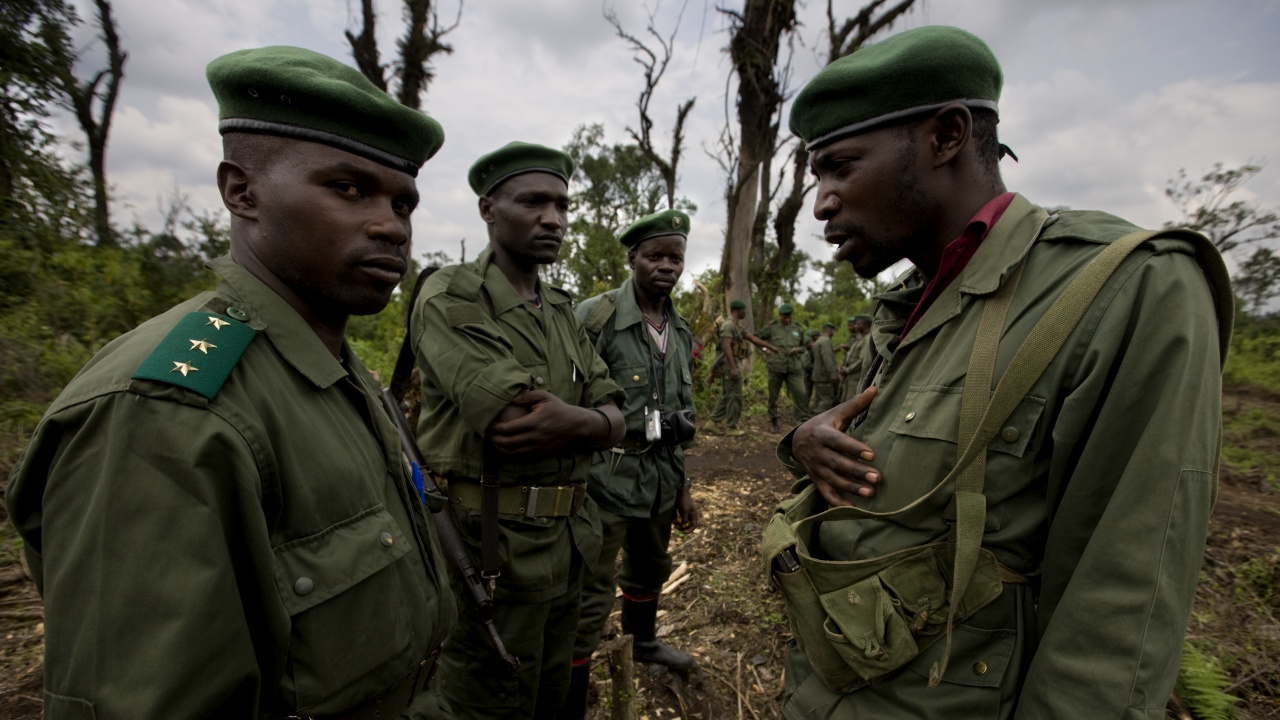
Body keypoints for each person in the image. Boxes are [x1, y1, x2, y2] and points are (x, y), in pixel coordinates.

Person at [770, 25, 1232, 718]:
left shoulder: (1125, 288)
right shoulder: (908, 305)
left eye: (841, 166)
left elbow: (1121, 612)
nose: (821, 203)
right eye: (817, 176)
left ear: (947, 135)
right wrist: (802, 444)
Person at [6, 46, 459, 718]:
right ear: (240, 190)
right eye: (348, 188)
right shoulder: (169, 411)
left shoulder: (336, 374)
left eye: (402, 202)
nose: (389, 226)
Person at [409, 141, 626, 720]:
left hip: (571, 542)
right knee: (488, 700)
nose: (552, 218)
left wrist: (584, 421)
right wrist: (597, 424)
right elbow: (514, 423)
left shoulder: (561, 309)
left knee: (553, 694)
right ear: (488, 209)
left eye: (561, 205)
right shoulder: (451, 294)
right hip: (491, 550)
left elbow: (617, 411)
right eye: (533, 201)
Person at [565, 209, 702, 717]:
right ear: (633, 259)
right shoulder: (595, 318)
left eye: (675, 257)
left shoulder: (680, 329)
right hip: (607, 477)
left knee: (650, 567)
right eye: (655, 256)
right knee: (590, 590)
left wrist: (684, 486)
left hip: (662, 478)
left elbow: (678, 415)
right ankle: (571, 695)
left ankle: (642, 643)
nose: (666, 266)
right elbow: (569, 400)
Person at [756, 304, 810, 433]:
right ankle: (774, 420)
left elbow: (804, 347)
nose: (787, 319)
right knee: (773, 395)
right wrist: (765, 349)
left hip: (794, 367)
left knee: (801, 393)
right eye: (784, 317)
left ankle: (801, 421)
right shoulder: (772, 327)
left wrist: (798, 350)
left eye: (789, 316)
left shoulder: (798, 328)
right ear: (780, 316)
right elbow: (756, 338)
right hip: (776, 366)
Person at [706, 299, 752, 436]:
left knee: (727, 395)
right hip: (729, 365)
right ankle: (731, 428)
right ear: (737, 311)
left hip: (731, 364)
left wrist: (770, 348)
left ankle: (712, 422)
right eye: (744, 310)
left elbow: (752, 339)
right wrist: (733, 368)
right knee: (735, 396)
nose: (746, 312)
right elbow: (726, 347)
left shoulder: (736, 327)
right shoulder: (728, 325)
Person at [837, 315, 871, 402]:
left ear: (866, 325)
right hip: (850, 377)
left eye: (858, 324)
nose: (855, 326)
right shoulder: (860, 338)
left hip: (856, 378)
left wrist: (847, 370)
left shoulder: (867, 339)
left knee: (851, 403)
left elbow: (861, 360)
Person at [810, 322, 839, 413]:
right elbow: (827, 358)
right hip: (823, 377)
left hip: (818, 375)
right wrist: (833, 374)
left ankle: (812, 421)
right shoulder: (826, 341)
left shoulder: (818, 340)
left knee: (819, 400)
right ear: (830, 330)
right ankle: (817, 422)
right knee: (826, 401)